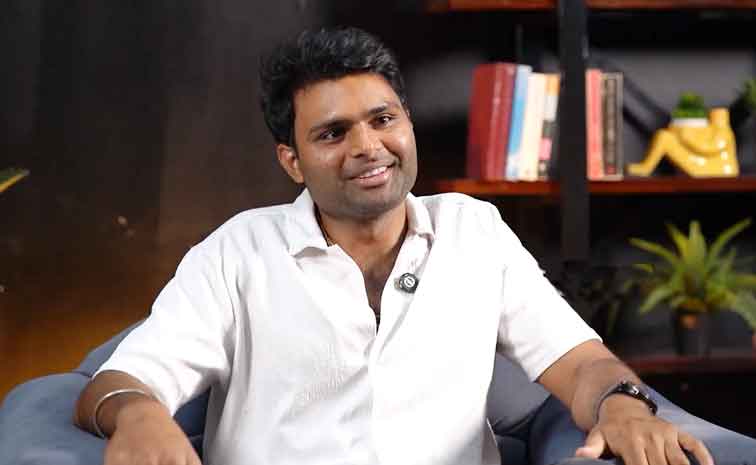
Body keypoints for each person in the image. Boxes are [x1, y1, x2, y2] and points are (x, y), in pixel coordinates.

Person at [74, 27, 713, 465]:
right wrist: (139, 416)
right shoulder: (237, 252)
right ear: (292, 161)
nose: (368, 147)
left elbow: (582, 363)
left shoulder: (474, 231)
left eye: (383, 119)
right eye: (333, 133)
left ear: (406, 123)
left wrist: (623, 406)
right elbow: (118, 384)